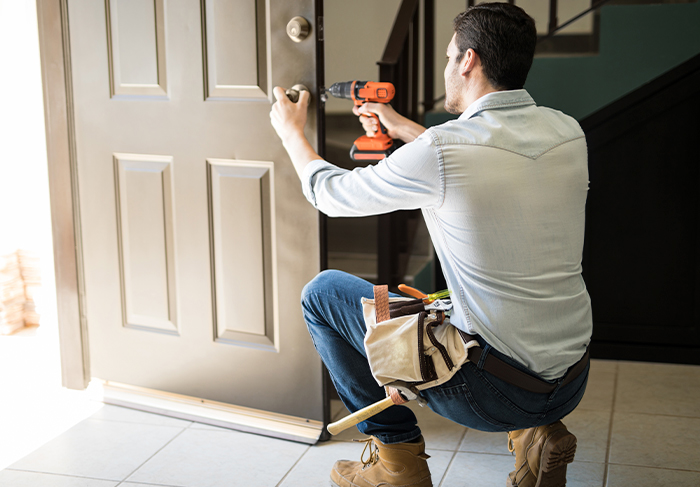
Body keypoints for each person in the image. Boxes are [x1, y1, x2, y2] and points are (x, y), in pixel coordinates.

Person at [270, 3, 592, 487]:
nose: (446, 67)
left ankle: (395, 462)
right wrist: (403, 129)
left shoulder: (443, 149)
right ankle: (534, 434)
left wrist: (293, 133)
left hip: (488, 391)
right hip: (570, 379)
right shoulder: (568, 132)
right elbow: (481, 166)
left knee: (322, 292)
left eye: (448, 57)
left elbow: (330, 195)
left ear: (468, 61)